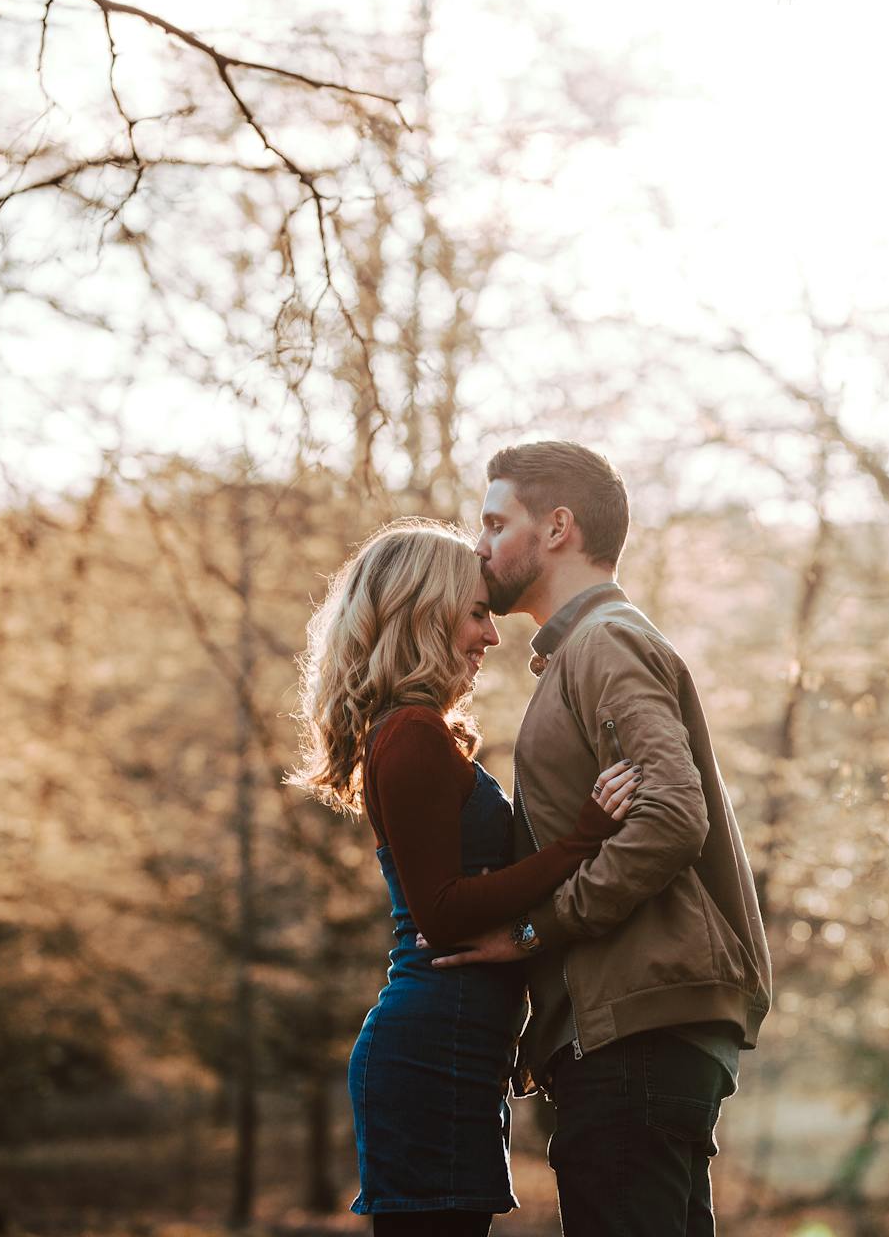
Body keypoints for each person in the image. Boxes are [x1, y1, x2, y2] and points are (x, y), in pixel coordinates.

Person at [429, 441, 772, 1237]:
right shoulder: (576, 656)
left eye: (494, 521)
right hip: (630, 1036)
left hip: (634, 1038)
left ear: (557, 527)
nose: (479, 546)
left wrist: (535, 931)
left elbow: (671, 814)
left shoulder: (605, 643)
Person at [290, 519, 644, 1237]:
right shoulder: (411, 735)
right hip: (431, 1052)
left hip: (457, 1047)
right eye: (478, 613)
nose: (491, 635)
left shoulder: (417, 731)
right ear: (425, 613)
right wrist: (583, 839)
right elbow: (443, 913)